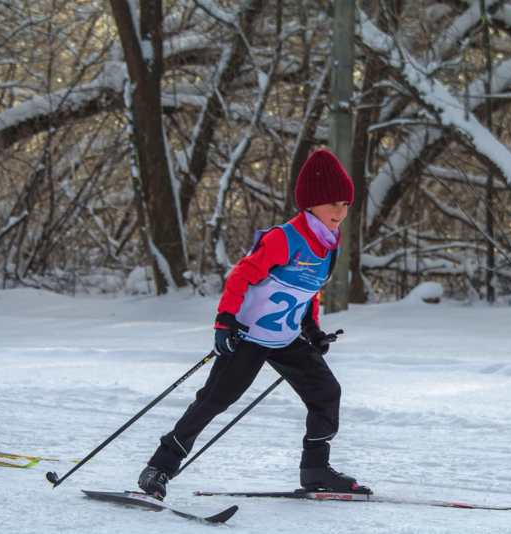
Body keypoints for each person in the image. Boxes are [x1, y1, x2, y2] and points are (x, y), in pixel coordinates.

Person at [137, 149, 369, 499]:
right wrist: (225, 322)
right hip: (247, 336)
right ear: (311, 203)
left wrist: (313, 331)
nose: (341, 212)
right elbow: (241, 276)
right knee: (214, 401)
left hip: (286, 338)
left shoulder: (329, 246)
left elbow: (308, 293)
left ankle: (315, 468)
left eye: (346, 204)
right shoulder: (285, 238)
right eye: (333, 203)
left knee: (326, 393)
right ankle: (159, 468)